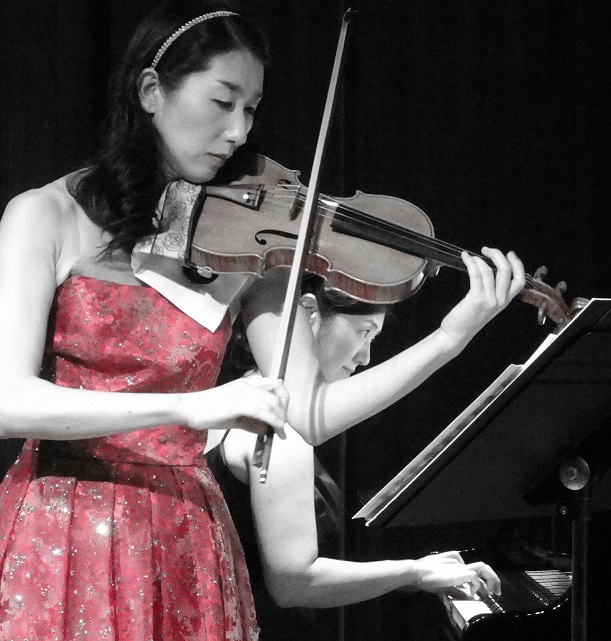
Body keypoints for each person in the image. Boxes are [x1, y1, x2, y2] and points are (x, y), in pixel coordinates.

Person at [0, 1, 525, 639]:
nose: (238, 132)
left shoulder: (249, 248)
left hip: (183, 534)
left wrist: (449, 339)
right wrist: (188, 407)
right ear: (151, 91)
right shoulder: (45, 216)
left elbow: (309, 414)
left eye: (250, 109)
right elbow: (9, 402)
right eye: (223, 102)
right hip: (63, 523)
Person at [205, 276, 501, 640]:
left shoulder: (235, 398)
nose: (365, 357)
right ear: (309, 313)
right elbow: (293, 584)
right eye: (364, 332)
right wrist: (416, 573)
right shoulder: (278, 431)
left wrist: (414, 573)